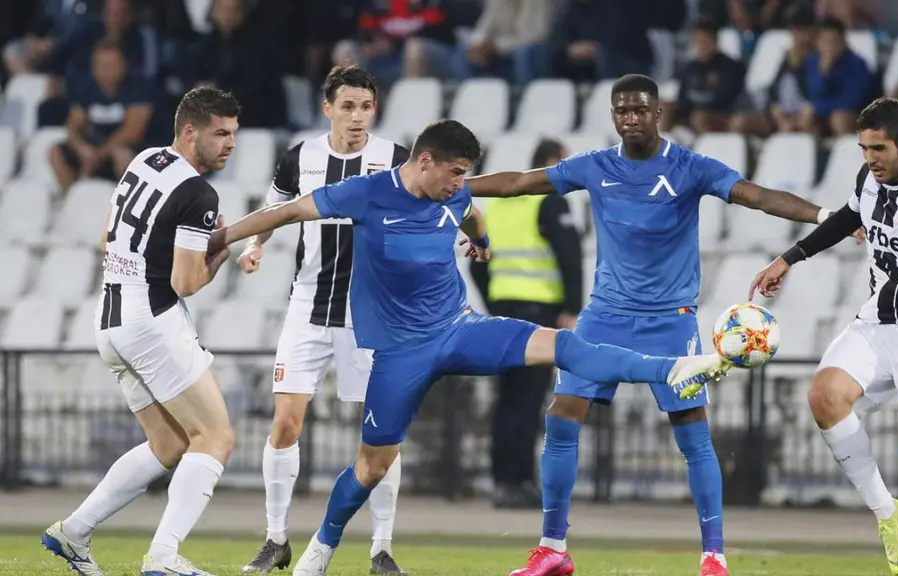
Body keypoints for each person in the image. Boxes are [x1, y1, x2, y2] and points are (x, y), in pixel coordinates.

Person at [206, 118, 732, 576]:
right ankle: (322, 545)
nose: (462, 184)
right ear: (426, 162)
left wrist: (481, 242)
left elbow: (471, 213)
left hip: (459, 329)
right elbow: (287, 212)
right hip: (400, 352)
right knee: (372, 466)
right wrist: (221, 239)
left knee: (563, 346)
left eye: (466, 174)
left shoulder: (452, 194)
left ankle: (671, 369)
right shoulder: (365, 193)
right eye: (456, 172)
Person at [466, 73, 849, 576]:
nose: (630, 118)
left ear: (658, 113)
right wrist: (452, 187)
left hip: (670, 320)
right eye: (621, 110)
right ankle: (553, 548)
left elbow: (755, 195)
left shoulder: (689, 167)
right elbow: (519, 183)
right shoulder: (596, 166)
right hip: (604, 316)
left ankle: (713, 556)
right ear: (612, 115)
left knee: (692, 434)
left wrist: (828, 216)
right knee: (561, 417)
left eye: (639, 110)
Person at [749, 97, 898, 576]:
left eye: (879, 149)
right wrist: (787, 258)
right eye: (864, 149)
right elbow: (847, 220)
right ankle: (887, 513)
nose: (871, 158)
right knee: (823, 397)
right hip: (875, 323)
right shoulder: (869, 180)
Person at [41, 86, 241, 576]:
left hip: (110, 320)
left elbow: (105, 237)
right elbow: (186, 283)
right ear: (190, 132)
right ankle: (165, 556)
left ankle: (74, 530)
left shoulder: (145, 159)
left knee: (169, 445)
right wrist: (219, 255)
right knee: (215, 437)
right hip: (151, 320)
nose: (230, 144)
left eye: (233, 133)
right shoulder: (199, 193)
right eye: (220, 133)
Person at [237, 65, 409, 576]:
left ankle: (381, 548)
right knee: (285, 423)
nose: (357, 116)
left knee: (381, 435)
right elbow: (272, 210)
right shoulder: (301, 158)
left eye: (365, 106)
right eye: (348, 106)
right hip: (308, 310)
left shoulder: (395, 159)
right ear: (328, 108)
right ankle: (275, 539)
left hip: (369, 316)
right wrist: (253, 245)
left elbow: (427, 209)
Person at [473, 139, 582, 509]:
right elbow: (569, 256)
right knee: (528, 399)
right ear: (550, 163)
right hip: (540, 313)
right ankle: (521, 481)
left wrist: (496, 302)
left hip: (503, 312)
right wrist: (571, 308)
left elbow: (477, 262)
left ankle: (502, 480)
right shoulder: (549, 200)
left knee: (507, 400)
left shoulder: (500, 206)